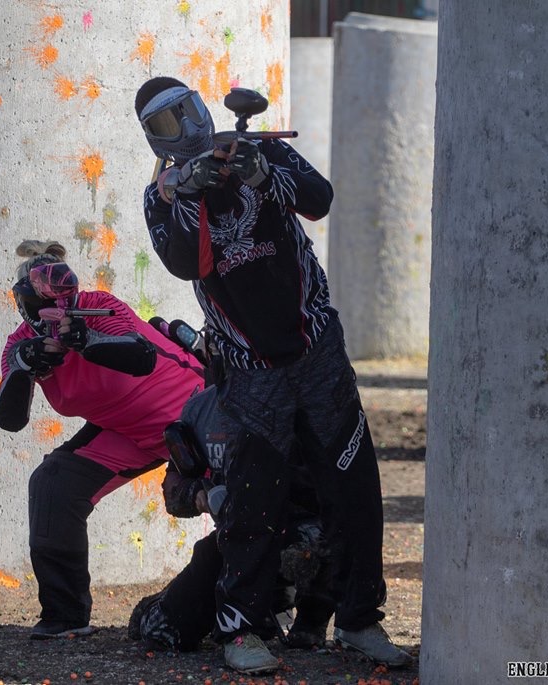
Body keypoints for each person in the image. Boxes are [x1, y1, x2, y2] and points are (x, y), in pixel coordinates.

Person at [134, 77, 410, 673]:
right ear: (152, 139)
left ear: (206, 108)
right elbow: (186, 263)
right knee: (254, 503)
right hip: (250, 372)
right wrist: (191, 193)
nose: (181, 129)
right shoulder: (161, 196)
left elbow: (320, 197)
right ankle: (242, 630)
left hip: (318, 353)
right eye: (163, 125)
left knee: (353, 490)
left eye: (184, 112)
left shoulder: (266, 150)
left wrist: (261, 174)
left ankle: (360, 621)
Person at [0, 240, 205, 639]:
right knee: (54, 484)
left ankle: (263, 604)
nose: (56, 309)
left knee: (240, 499)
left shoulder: (99, 308)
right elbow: (9, 419)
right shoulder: (20, 342)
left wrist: (86, 341)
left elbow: (141, 356)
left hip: (193, 412)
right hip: (131, 433)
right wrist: (24, 366)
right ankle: (65, 615)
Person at [127, 384, 335, 655]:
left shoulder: (305, 404)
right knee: (162, 632)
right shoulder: (201, 409)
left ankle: (308, 624)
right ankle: (161, 605)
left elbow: (343, 494)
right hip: (235, 541)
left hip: (296, 530)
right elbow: (173, 490)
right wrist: (200, 493)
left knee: (314, 546)